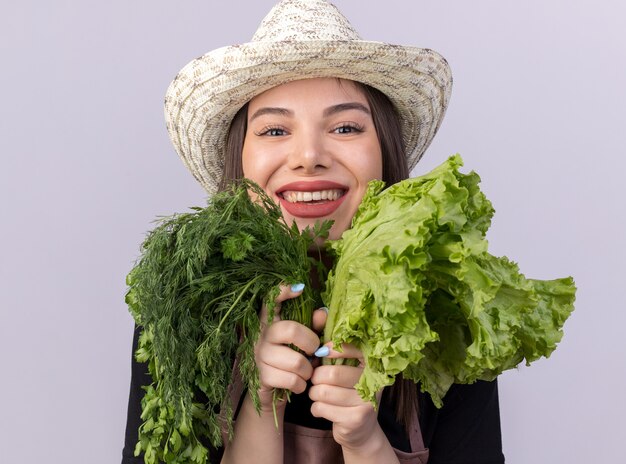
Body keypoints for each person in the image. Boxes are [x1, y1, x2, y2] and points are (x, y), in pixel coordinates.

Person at [122, 1, 505, 463]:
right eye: (274, 130)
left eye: (345, 126)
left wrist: (365, 441)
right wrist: (263, 403)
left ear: (383, 151)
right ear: (239, 163)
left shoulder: (449, 308)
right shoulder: (183, 302)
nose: (309, 155)